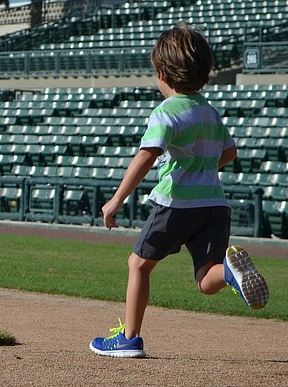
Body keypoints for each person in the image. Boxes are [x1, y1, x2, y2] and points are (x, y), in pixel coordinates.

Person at [89, 22, 269, 359]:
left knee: (138, 265)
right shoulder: (209, 111)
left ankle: (129, 338)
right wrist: (203, 169)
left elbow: (146, 156)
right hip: (214, 205)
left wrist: (116, 200)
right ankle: (230, 272)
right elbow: (229, 152)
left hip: (176, 204)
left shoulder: (165, 112)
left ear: (162, 73)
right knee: (206, 279)